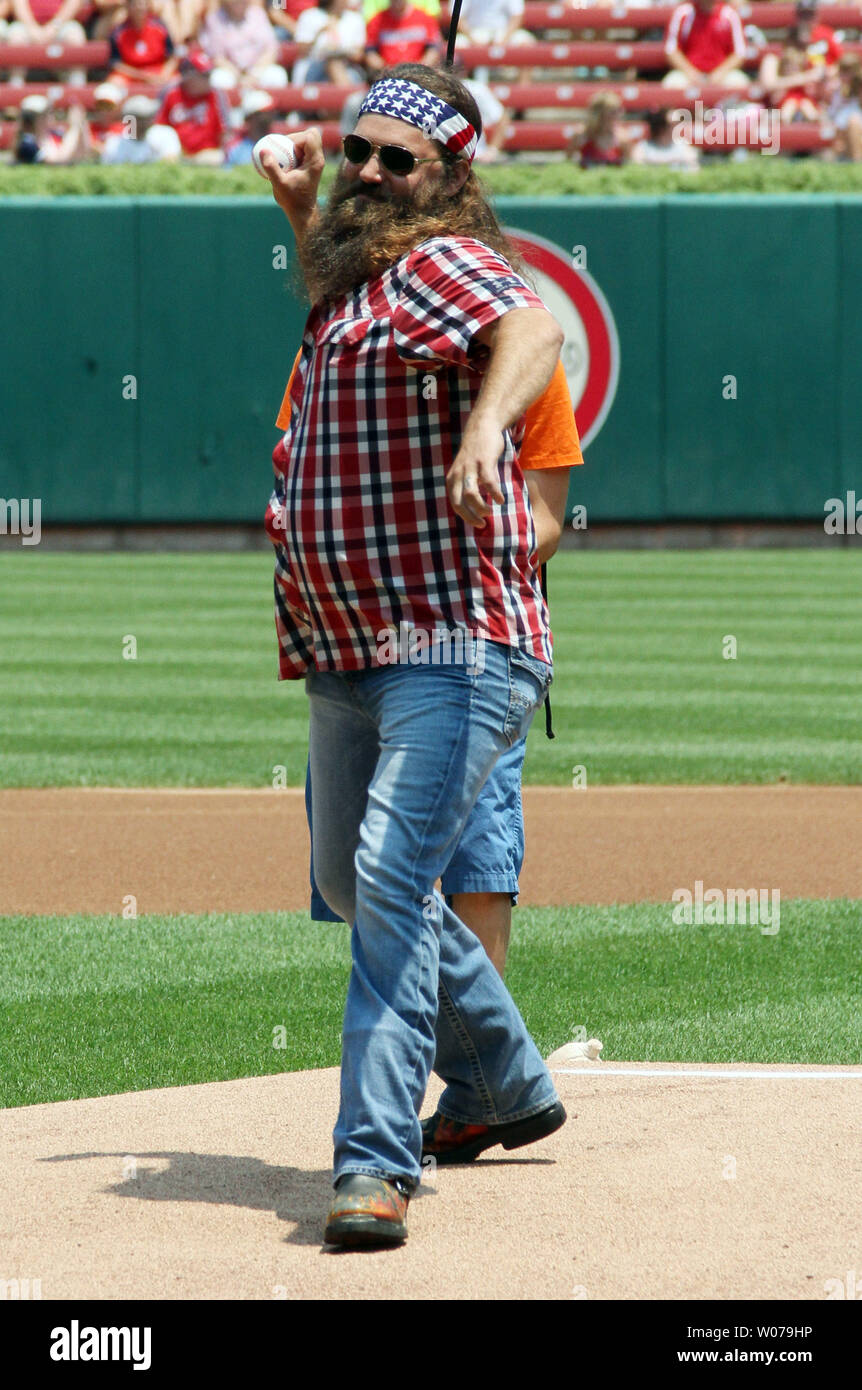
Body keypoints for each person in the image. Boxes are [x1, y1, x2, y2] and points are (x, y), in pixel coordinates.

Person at [259, 61, 566, 1248]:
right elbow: (354, 292)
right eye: (359, 152)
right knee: (347, 879)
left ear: (451, 176)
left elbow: (529, 324)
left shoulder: (443, 263)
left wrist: (487, 422)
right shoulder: (360, 279)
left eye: (400, 159)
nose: (372, 173)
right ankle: (501, 1081)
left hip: (451, 641)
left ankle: (372, 1167)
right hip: (347, 650)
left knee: (385, 883)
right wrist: (301, 213)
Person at [277, 354, 581, 977]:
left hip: (475, 642)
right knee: (351, 874)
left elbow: (546, 522)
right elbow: (298, 480)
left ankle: (482, 1065)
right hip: (364, 643)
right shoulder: (337, 347)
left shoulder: (528, 363)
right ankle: (485, 1056)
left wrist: (440, 549)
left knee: (479, 861)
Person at [156, 49, 231, 161]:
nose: (209, 80)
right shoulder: (171, 92)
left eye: (209, 75)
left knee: (216, 158)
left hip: (207, 155)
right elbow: (159, 126)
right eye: (205, 76)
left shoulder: (217, 95)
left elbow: (225, 132)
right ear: (189, 76)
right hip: (175, 154)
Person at [198, 0, 288, 89]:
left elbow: (271, 49)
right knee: (219, 79)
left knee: (277, 75)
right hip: (230, 71)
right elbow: (216, 57)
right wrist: (239, 76)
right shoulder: (214, 19)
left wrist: (254, 74)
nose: (239, 1)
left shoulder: (258, 14)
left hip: (257, 69)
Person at [662, 0, 749, 90]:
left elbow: (739, 53)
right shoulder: (683, 13)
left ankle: (718, 104)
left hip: (722, 73)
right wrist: (691, 73)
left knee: (738, 83)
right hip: (688, 73)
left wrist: (719, 73)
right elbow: (671, 50)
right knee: (673, 83)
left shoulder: (730, 14)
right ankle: (698, 104)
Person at [107, 0, 178, 88]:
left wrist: (164, 75)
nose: (140, 7)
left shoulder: (160, 26)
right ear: (128, 7)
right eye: (135, 4)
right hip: (131, 75)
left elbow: (172, 56)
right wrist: (141, 76)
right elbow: (115, 63)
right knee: (113, 83)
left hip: (158, 71)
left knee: (177, 82)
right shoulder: (118, 32)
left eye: (144, 4)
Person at [364, 0, 440, 72]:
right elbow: (370, 53)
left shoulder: (425, 18)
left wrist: (420, 69)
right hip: (388, 75)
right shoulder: (376, 21)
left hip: (418, 74)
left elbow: (433, 50)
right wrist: (386, 69)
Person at [567, 91, 638, 168]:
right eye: (613, 111)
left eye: (618, 110)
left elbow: (630, 165)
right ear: (600, 114)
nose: (620, 113)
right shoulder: (581, 134)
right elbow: (568, 161)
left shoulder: (622, 137)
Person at [630, 107, 700, 168]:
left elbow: (694, 169)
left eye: (678, 123)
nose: (676, 127)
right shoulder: (642, 147)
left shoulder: (684, 147)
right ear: (660, 125)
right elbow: (638, 169)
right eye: (671, 124)